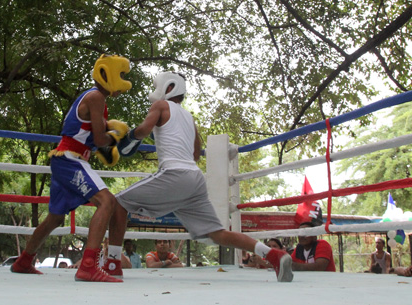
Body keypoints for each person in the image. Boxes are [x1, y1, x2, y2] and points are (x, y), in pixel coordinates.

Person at [103, 72, 293, 282]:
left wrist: (125, 139)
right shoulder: (189, 117)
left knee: (118, 202)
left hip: (175, 174)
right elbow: (195, 153)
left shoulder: (161, 107)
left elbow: (144, 130)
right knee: (218, 233)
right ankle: (273, 254)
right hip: (195, 180)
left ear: (168, 88)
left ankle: (112, 263)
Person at [11, 54, 132, 283]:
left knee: (55, 218)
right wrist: (116, 139)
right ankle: (88, 266)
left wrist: (111, 136)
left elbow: (92, 137)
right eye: (122, 75)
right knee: (107, 202)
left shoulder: (91, 96)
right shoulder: (96, 97)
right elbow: (98, 138)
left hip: (64, 159)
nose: (123, 83)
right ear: (108, 74)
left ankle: (24, 261)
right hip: (70, 159)